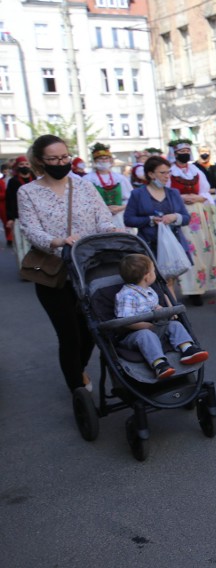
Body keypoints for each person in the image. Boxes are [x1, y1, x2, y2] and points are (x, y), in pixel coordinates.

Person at [17, 134, 115, 393]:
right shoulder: (28, 192)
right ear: (40, 161)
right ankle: (77, 389)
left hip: (89, 269)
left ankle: (77, 369)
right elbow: (31, 230)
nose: (61, 162)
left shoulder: (83, 185)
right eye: (54, 159)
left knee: (90, 330)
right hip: (55, 273)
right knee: (69, 335)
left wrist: (114, 232)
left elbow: (103, 218)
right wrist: (57, 240)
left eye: (64, 157)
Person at [115, 254, 209, 380]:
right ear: (147, 276)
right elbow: (124, 320)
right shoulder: (127, 295)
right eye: (153, 270)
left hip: (155, 327)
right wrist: (146, 326)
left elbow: (154, 306)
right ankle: (159, 364)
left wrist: (163, 310)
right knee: (145, 335)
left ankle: (187, 349)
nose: (155, 273)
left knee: (175, 325)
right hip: (135, 335)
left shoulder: (149, 290)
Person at [123, 156, 192, 296]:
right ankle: (166, 310)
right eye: (162, 173)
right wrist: (150, 220)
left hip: (171, 244)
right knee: (151, 280)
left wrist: (174, 217)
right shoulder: (138, 194)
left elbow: (186, 218)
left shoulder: (173, 193)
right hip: (149, 245)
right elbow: (128, 219)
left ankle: (172, 312)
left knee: (169, 280)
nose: (167, 176)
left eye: (168, 172)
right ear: (151, 174)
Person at [168, 139, 216, 306]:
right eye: (181, 152)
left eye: (187, 151)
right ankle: (192, 290)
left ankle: (204, 284)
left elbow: (205, 191)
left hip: (198, 212)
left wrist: (199, 197)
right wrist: (181, 197)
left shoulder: (195, 171)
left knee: (203, 247)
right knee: (189, 250)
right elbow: (167, 193)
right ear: (175, 154)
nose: (185, 154)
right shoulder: (170, 172)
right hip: (181, 213)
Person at [84, 142, 133, 230]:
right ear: (95, 161)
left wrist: (120, 207)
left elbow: (131, 198)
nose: (104, 161)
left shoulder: (120, 178)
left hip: (119, 217)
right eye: (100, 158)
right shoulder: (88, 179)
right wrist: (104, 209)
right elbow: (84, 202)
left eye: (106, 158)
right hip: (98, 218)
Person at [5, 156, 36, 266]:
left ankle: (36, 268)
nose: (24, 166)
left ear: (30, 165)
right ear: (17, 166)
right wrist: (10, 218)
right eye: (21, 164)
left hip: (36, 217)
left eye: (26, 164)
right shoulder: (13, 182)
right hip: (19, 217)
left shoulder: (36, 180)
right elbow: (9, 200)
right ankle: (24, 269)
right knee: (20, 244)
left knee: (35, 244)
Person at [0, 162, 10, 246]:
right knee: (5, 221)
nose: (6, 172)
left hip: (9, 203)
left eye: (7, 170)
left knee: (8, 222)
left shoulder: (12, 180)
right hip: (2, 204)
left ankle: (10, 238)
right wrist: (6, 194)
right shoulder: (1, 181)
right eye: (5, 170)